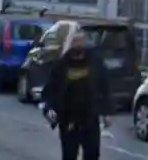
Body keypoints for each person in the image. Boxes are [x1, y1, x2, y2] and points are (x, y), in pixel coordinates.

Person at [41, 27, 112, 160]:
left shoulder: (94, 62)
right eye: (75, 41)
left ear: (84, 42)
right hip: (69, 120)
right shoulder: (62, 65)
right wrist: (49, 109)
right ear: (71, 43)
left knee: (92, 155)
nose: (78, 44)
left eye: (81, 40)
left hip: (90, 119)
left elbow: (104, 87)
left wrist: (107, 112)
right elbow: (50, 90)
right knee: (69, 155)